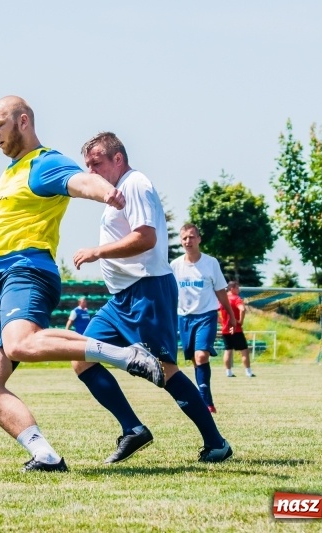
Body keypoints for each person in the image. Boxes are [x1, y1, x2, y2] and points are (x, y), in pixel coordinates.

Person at [0, 96, 165, 473]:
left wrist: (105, 191)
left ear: (23, 122)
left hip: (24, 272)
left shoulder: (42, 163)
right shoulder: (11, 171)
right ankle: (45, 455)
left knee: (21, 343)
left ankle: (128, 356)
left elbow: (79, 179)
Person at [71, 132, 233, 464]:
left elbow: (146, 238)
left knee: (165, 369)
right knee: (80, 356)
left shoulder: (135, 184)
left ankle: (216, 443)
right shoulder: (116, 193)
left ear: (117, 159)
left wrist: (97, 252)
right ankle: (133, 429)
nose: (91, 171)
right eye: (87, 166)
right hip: (120, 300)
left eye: (96, 163)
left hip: (147, 291)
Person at [170, 223, 237, 414]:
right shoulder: (175, 266)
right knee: (194, 359)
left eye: (192, 237)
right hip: (184, 317)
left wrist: (230, 315)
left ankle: (206, 402)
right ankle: (204, 398)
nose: (188, 241)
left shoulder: (211, 263)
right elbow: (169, 293)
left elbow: (220, 291)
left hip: (206, 315)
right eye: (184, 238)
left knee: (201, 356)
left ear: (199, 239)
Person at [220, 281, 255, 378]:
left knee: (228, 350)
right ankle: (248, 372)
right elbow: (242, 309)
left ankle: (228, 372)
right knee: (244, 350)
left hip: (226, 329)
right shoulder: (236, 299)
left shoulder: (222, 299)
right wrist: (240, 321)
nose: (239, 290)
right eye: (237, 288)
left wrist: (221, 321)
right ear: (232, 288)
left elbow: (214, 311)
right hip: (236, 329)